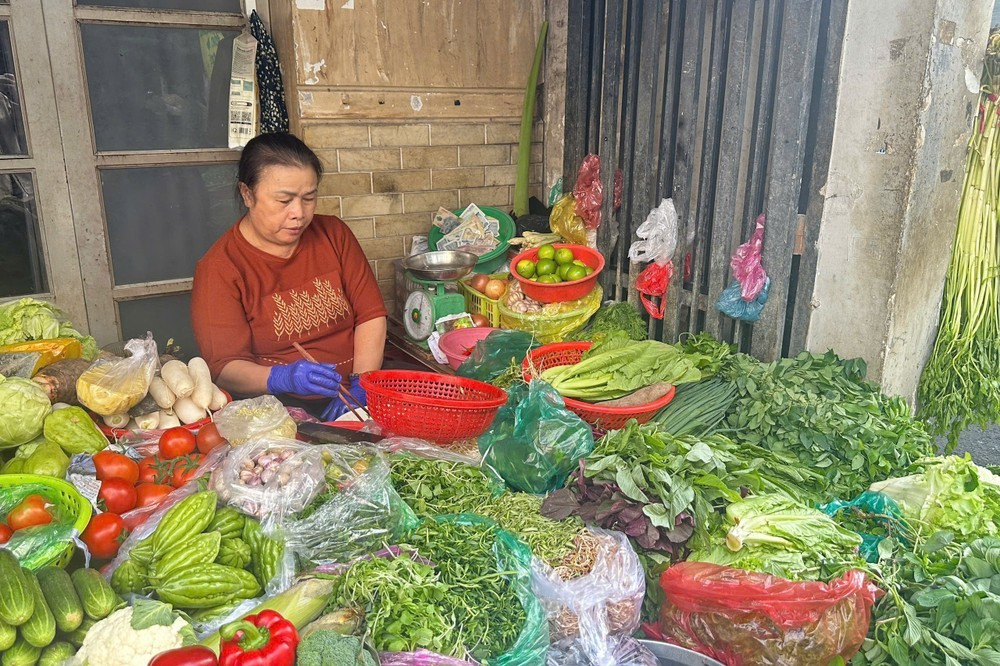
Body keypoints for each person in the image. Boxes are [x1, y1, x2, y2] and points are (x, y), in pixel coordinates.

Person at [191, 132, 386, 420]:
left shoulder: (334, 235)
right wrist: (281, 378)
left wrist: (362, 386)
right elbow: (225, 367)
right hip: (283, 408)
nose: (299, 213)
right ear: (247, 194)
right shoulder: (220, 268)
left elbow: (370, 315)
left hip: (358, 390)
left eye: (309, 198)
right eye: (284, 201)